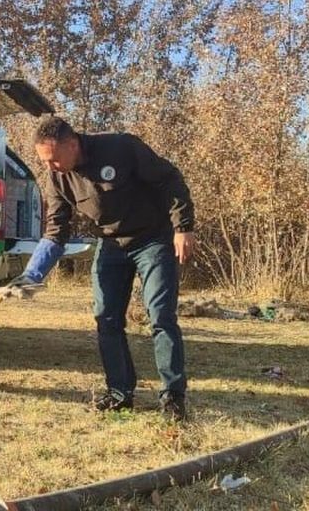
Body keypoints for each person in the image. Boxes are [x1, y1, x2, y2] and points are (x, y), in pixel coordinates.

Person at [13, 115, 196, 421]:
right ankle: (120, 393)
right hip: (111, 245)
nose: (51, 167)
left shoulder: (121, 147)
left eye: (55, 159)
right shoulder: (57, 177)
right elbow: (56, 230)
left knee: (160, 315)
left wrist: (184, 226)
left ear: (73, 144)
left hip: (152, 239)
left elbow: (170, 178)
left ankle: (173, 397)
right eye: (45, 161)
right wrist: (32, 274)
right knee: (106, 318)